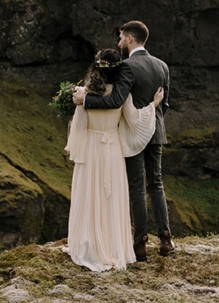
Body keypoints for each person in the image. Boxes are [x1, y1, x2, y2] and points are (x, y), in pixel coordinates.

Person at [73, 20, 172, 260]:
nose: (119, 43)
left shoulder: (127, 67)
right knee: (156, 184)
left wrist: (85, 100)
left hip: (131, 134)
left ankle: (140, 244)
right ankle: (166, 239)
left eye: (120, 38)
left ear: (129, 38)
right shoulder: (162, 66)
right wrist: (151, 122)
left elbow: (116, 100)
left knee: (137, 187)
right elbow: (165, 104)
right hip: (156, 131)